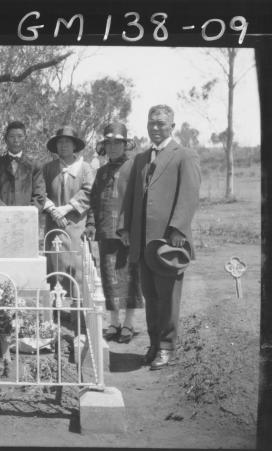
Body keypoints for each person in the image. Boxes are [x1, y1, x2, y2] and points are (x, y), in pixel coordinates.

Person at [118, 105, 201, 369]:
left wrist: (178, 229)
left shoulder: (184, 155)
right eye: (151, 123)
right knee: (150, 296)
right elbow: (130, 196)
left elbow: (189, 196)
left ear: (172, 126)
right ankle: (154, 344)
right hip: (143, 243)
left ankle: (167, 347)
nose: (155, 128)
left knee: (168, 297)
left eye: (161, 124)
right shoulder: (141, 158)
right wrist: (124, 229)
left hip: (168, 243)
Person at [89, 122, 143, 344]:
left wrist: (129, 229)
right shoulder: (101, 172)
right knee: (109, 278)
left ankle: (129, 324)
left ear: (125, 144)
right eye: (109, 143)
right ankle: (114, 322)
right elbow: (94, 201)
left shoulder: (134, 167)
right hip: (105, 232)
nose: (112, 148)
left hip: (125, 234)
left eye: (117, 143)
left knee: (129, 278)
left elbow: (136, 201)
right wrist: (91, 224)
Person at [42, 126, 94, 297]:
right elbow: (39, 192)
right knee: (55, 265)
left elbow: (89, 191)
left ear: (74, 146)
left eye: (67, 142)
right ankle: (56, 312)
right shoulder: (48, 168)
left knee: (77, 266)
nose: (63, 145)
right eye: (60, 142)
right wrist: (53, 210)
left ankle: (77, 313)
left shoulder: (85, 168)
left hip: (76, 224)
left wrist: (67, 208)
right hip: (54, 225)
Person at [0, 121, 47, 211]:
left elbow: (39, 196)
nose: (16, 140)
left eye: (20, 136)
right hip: (0, 218)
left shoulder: (35, 165)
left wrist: (26, 213)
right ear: (5, 139)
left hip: (26, 219)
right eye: (12, 136)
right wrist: (5, 212)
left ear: (25, 138)